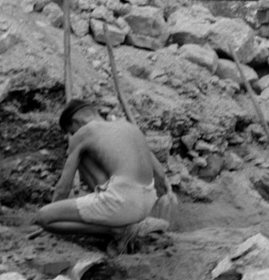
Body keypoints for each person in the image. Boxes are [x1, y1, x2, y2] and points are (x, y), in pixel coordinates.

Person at [35, 99, 171, 244]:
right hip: (147, 201)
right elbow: (160, 174)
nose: (73, 134)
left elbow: (63, 188)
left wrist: (55, 212)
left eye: (71, 131)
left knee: (43, 217)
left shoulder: (84, 134)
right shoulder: (128, 127)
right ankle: (126, 222)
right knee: (86, 155)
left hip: (121, 203)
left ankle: (116, 230)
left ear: (75, 122)